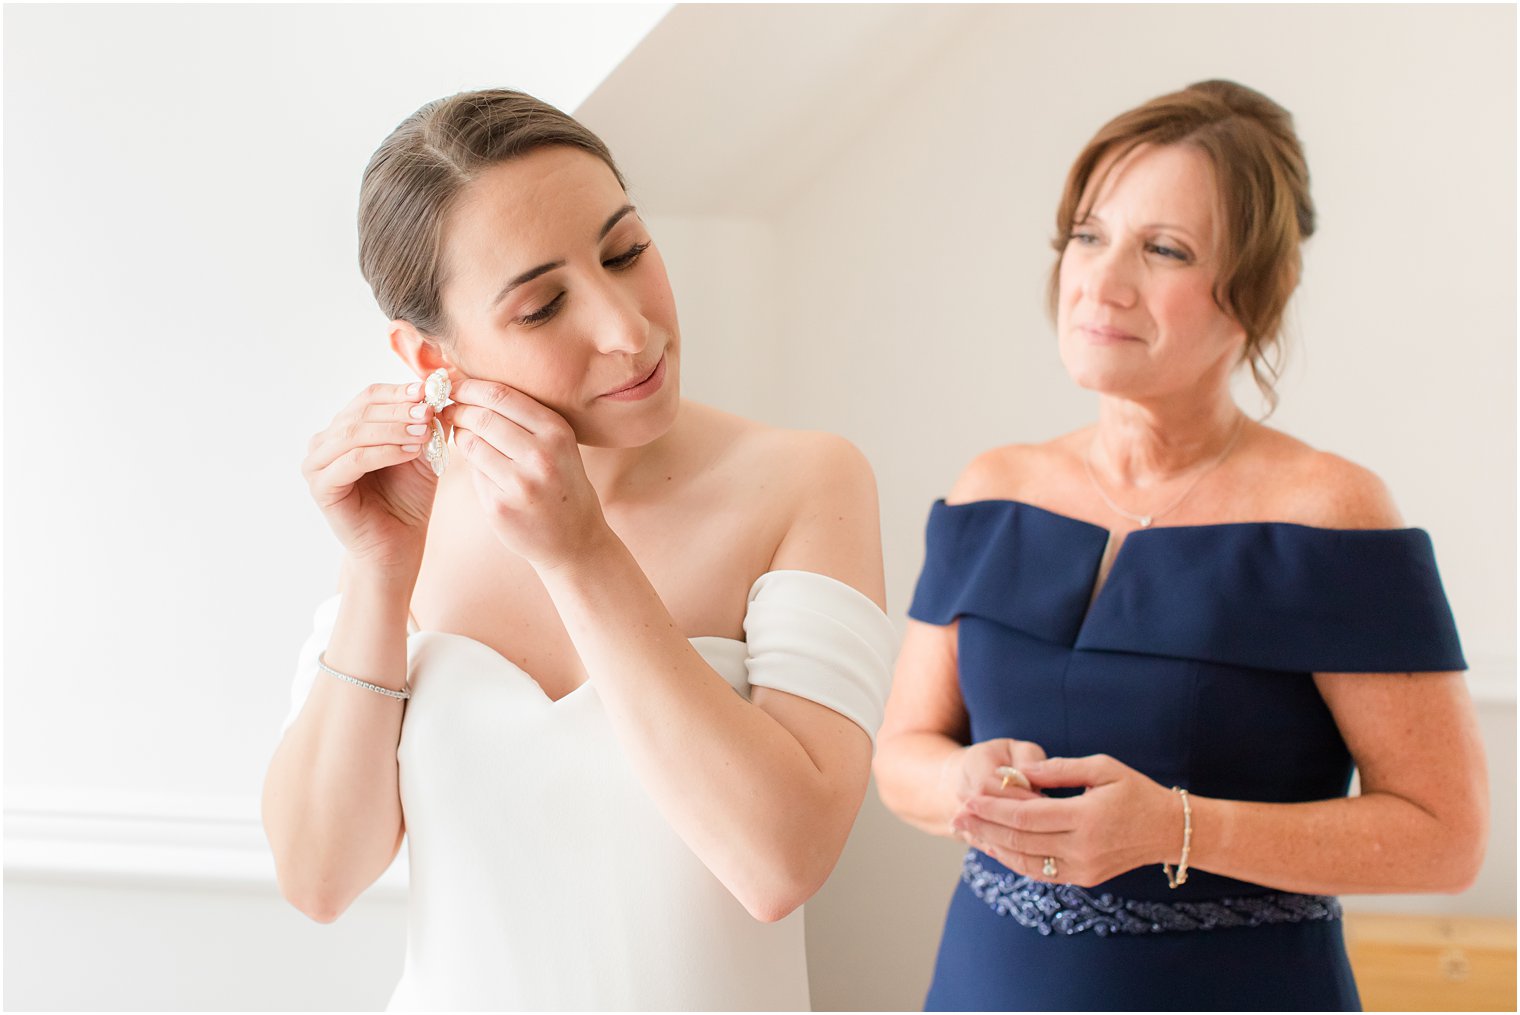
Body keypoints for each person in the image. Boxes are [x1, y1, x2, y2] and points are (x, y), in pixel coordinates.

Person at [261, 89, 895, 1011]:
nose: (627, 329)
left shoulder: (806, 482)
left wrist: (581, 554)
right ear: (432, 361)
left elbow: (780, 862)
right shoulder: (412, 522)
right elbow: (320, 877)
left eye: (627, 251)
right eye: (542, 305)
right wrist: (377, 571)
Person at [872, 79, 1488, 1011]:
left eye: (1164, 248)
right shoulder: (991, 489)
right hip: (987, 984)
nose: (1102, 281)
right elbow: (899, 755)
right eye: (1089, 234)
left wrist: (1178, 828)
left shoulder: (1332, 513)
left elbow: (1447, 838)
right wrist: (959, 781)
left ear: (1254, 294)